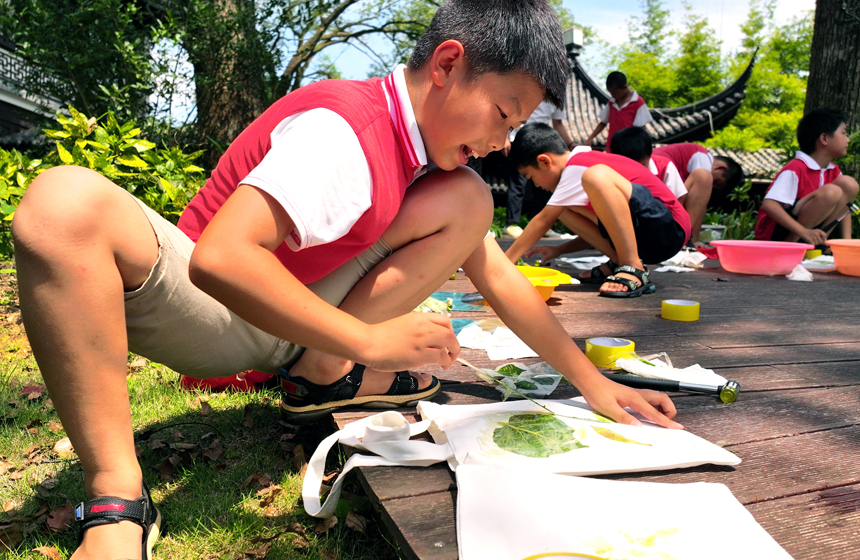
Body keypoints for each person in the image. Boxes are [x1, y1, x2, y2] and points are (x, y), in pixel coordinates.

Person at [10, 2, 682, 559]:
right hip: (214, 313)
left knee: (470, 199)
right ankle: (116, 493)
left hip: (288, 319)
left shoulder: (422, 155)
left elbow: (502, 280)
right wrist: (373, 342)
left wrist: (595, 385)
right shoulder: (348, 130)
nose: (507, 141)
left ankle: (320, 368)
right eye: (504, 115)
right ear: (449, 65)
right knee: (62, 203)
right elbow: (219, 261)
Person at [504, 123, 690, 297]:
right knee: (563, 209)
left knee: (595, 176)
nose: (535, 184)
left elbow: (543, 220)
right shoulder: (572, 175)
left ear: (544, 161)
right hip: (650, 239)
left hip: (670, 228)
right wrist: (559, 250)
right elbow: (610, 227)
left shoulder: (578, 166)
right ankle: (619, 261)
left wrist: (504, 263)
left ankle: (632, 266)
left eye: (531, 176)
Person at [754, 108, 859, 244]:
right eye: (844, 133)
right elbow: (769, 205)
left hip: (811, 231)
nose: (847, 139)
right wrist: (803, 232)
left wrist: (847, 242)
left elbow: (846, 207)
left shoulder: (833, 171)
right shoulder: (796, 168)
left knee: (849, 184)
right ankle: (792, 244)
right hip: (781, 234)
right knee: (831, 192)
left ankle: (820, 242)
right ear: (824, 138)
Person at [611, 127, 707, 247]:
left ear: (650, 155)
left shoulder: (665, 167)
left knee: (703, 176)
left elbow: (677, 205)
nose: (638, 171)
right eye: (631, 166)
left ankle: (684, 241)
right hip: (628, 228)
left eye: (642, 165)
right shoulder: (610, 172)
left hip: (662, 226)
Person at [504, 100, 576, 238]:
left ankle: (545, 225)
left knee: (543, 187)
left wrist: (570, 144)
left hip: (542, 142)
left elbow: (558, 124)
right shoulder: (527, 86)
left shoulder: (556, 98)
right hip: (520, 141)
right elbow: (509, 115)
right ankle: (511, 223)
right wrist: (505, 137)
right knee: (518, 183)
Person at [652, 142, 744, 245]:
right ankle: (682, 236)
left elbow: (700, 206)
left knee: (700, 201)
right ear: (721, 168)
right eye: (715, 182)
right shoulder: (702, 156)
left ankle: (688, 239)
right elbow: (702, 187)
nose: (711, 186)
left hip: (653, 187)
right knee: (703, 178)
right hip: (654, 181)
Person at [583, 71, 652, 153]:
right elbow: (603, 122)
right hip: (612, 147)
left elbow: (640, 129)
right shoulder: (612, 102)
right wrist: (590, 138)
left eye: (615, 93)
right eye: (611, 93)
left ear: (624, 87)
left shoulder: (638, 103)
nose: (612, 96)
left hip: (629, 148)